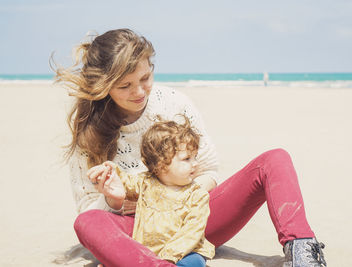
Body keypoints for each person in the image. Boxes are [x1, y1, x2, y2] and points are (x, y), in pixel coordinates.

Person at [54, 28, 326, 267]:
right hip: (135, 233)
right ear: (104, 87)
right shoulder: (88, 130)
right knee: (86, 224)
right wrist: (113, 200)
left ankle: (303, 252)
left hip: (193, 220)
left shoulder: (174, 103)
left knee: (275, 159)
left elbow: (209, 171)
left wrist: (168, 195)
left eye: (145, 78)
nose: (139, 92)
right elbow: (89, 209)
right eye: (125, 86)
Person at [87, 116, 214, 266]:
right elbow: (125, 181)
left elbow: (192, 232)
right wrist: (110, 172)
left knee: (195, 262)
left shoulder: (197, 195)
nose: (195, 164)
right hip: (148, 253)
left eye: (195, 157)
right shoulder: (146, 182)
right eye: (187, 159)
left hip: (185, 252)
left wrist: (168, 257)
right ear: (161, 164)